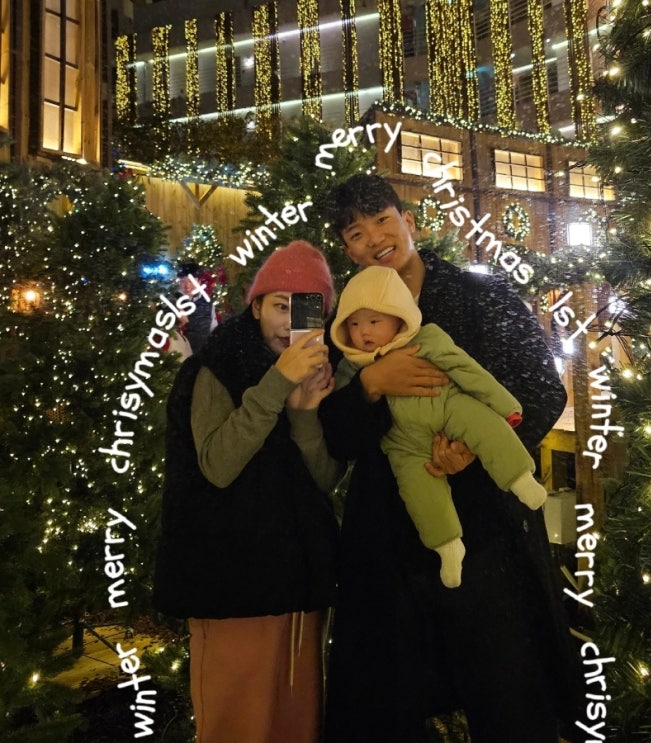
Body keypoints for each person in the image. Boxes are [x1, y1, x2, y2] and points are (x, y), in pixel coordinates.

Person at [320, 174, 581, 742]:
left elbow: (540, 390)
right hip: (388, 537)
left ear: (408, 222)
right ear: (347, 250)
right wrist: (370, 387)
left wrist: (474, 449)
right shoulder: (346, 322)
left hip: (486, 529)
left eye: (383, 220)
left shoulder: (481, 297)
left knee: (507, 695)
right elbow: (335, 435)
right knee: (387, 703)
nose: (375, 239)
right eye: (356, 233)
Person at [153, 240, 341, 743]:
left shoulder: (324, 373)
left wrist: (304, 414)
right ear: (255, 306)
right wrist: (278, 384)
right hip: (230, 582)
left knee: (297, 723)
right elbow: (217, 466)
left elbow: (324, 481)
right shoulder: (214, 368)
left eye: (306, 308)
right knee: (238, 723)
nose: (288, 323)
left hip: (299, 584)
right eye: (280, 305)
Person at [330, 265, 547, 588]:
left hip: (450, 415)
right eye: (354, 324)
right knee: (420, 493)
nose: (364, 332)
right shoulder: (350, 363)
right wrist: (368, 384)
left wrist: (506, 408)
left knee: (481, 424)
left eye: (374, 322)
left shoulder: (454, 313)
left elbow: (470, 371)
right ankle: (447, 548)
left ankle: (519, 477)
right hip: (401, 450)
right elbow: (338, 430)